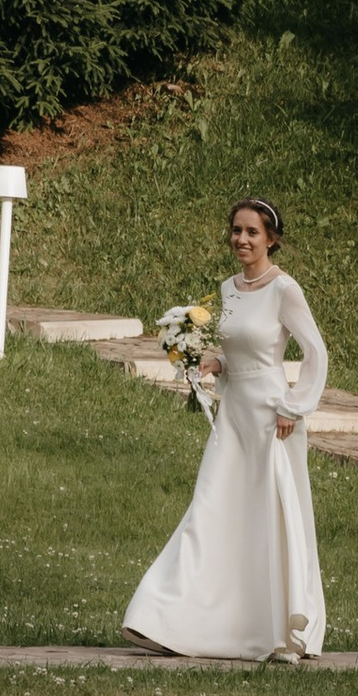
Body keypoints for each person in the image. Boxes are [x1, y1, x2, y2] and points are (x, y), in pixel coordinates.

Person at [123, 198, 328, 662]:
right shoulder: (229, 289)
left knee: (269, 519)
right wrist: (216, 360)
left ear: (271, 238)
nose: (242, 239)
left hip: (272, 418)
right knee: (210, 509)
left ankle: (281, 633)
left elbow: (316, 352)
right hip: (233, 414)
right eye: (236, 230)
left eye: (252, 232)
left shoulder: (285, 289)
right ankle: (164, 618)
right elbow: (240, 349)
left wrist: (294, 407)